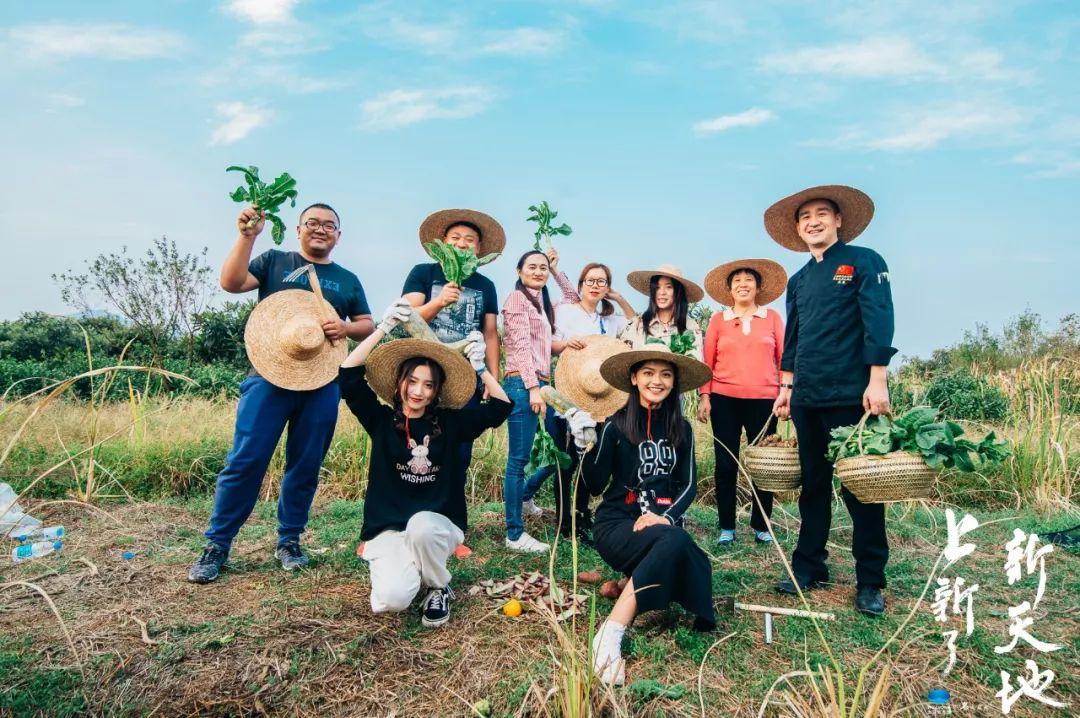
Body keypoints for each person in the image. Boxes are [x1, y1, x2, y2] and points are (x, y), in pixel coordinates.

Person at [189, 204, 373, 584]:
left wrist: (343, 327)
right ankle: (217, 544)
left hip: (322, 381)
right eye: (313, 223)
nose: (320, 230)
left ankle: (289, 541)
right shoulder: (275, 260)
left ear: (339, 235)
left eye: (329, 226)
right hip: (269, 378)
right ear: (298, 229)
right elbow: (232, 282)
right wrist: (247, 236)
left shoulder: (347, 279)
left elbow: (366, 323)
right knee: (246, 460)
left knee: (305, 465)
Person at [339, 299, 512, 627]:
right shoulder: (380, 420)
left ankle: (438, 585)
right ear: (400, 382)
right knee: (392, 600)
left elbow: (501, 407)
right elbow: (348, 375)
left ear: (436, 392)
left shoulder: (451, 423)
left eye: (428, 385)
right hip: (388, 528)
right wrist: (383, 328)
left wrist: (481, 370)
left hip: (437, 526)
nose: (418, 391)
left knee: (420, 526)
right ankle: (404, 566)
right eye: (412, 381)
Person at [766, 184, 896, 616]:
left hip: (852, 395)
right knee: (814, 485)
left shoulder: (863, 262)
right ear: (798, 228)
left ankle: (870, 580)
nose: (814, 221)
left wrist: (877, 380)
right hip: (807, 396)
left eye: (822, 213)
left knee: (862, 489)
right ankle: (809, 567)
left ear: (839, 220)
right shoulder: (800, 280)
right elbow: (794, 337)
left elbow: (879, 319)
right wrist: (786, 389)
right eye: (805, 217)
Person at [565, 344, 715, 685]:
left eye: (665, 374)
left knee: (692, 562)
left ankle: (626, 584)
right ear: (634, 378)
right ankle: (609, 634)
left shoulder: (683, 429)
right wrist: (584, 445)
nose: (656, 381)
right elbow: (594, 483)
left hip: (662, 525)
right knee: (677, 546)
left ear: (675, 381)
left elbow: (688, 483)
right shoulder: (616, 425)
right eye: (648, 373)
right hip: (617, 522)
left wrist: (667, 516)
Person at [521, 262, 637, 541]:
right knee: (566, 461)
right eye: (591, 280)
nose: (595, 286)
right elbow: (548, 343)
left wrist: (619, 298)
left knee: (591, 461)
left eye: (602, 281)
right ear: (581, 284)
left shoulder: (610, 320)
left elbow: (635, 323)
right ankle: (564, 522)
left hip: (601, 397)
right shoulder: (565, 311)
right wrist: (566, 344)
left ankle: (582, 515)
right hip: (571, 392)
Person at [697, 259, 788, 545]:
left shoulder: (771, 317)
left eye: (749, 279)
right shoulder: (718, 320)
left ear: (758, 287)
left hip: (765, 400)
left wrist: (787, 391)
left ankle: (762, 525)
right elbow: (707, 361)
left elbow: (784, 358)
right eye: (737, 280)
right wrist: (704, 396)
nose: (743, 284)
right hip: (724, 399)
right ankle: (727, 526)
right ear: (729, 289)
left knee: (763, 464)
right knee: (726, 463)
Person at [501, 249, 578, 553]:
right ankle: (514, 533)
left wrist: (557, 269)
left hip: (542, 384)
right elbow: (519, 347)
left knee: (558, 452)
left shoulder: (542, 302)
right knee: (517, 460)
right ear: (519, 271)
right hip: (523, 383)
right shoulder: (517, 300)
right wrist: (533, 388)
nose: (538, 271)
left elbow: (572, 298)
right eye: (531, 267)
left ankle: (526, 494)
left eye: (542, 267)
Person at [619, 264, 704, 360]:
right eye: (657, 287)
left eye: (668, 287)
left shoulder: (691, 326)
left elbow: (695, 364)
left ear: (678, 292)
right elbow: (624, 360)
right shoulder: (637, 324)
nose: (662, 292)